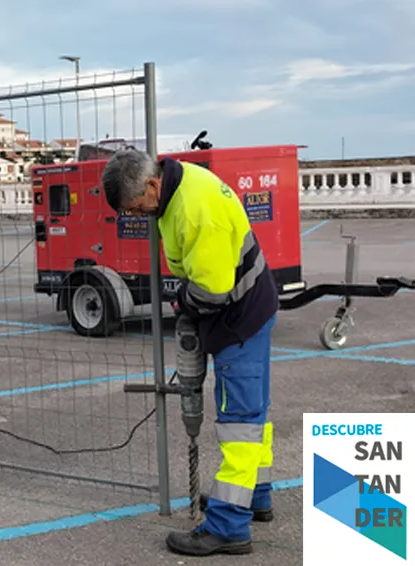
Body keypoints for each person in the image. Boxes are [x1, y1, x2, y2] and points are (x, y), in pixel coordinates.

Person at [101, 149, 278, 556]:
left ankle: (228, 526)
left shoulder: (197, 210)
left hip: (239, 318)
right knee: (253, 413)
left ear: (151, 184)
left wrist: (182, 305)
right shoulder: (178, 187)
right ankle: (255, 497)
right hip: (248, 307)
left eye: (136, 206)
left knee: (239, 421)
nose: (137, 215)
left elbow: (212, 291)